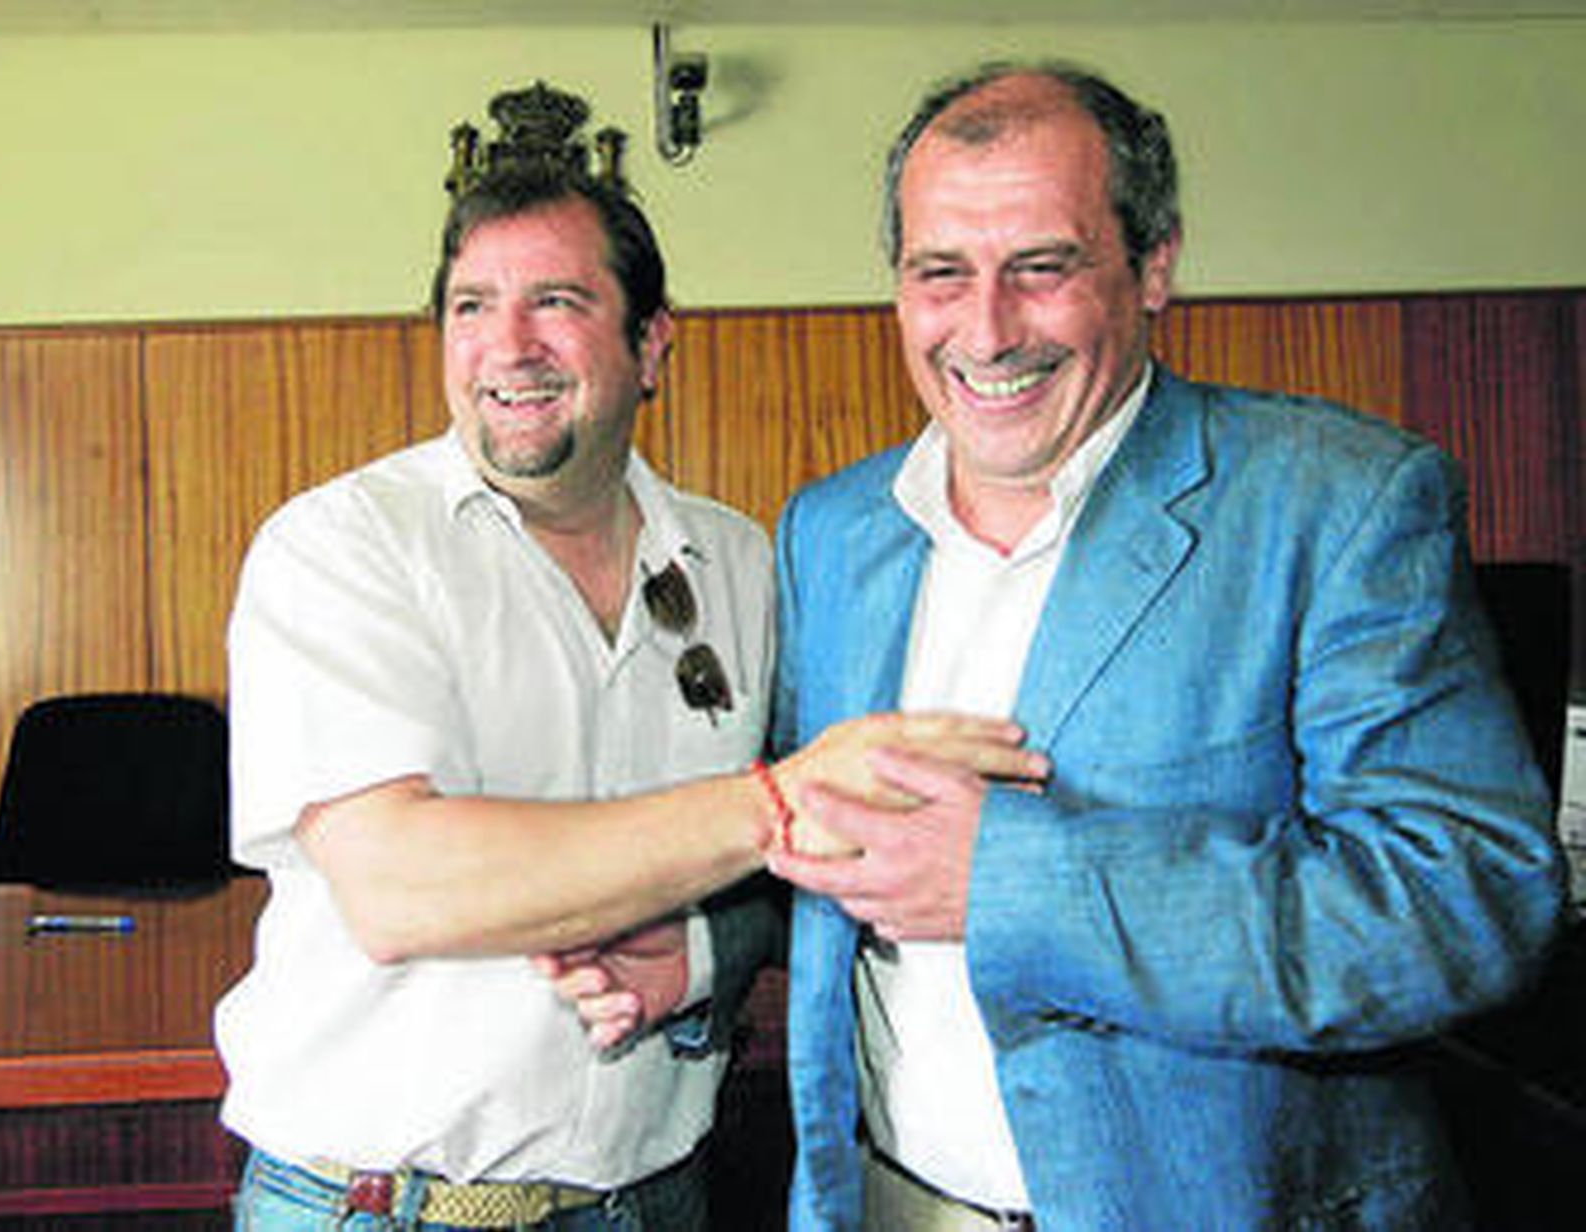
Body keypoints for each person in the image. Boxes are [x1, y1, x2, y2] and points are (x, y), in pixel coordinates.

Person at [762, 61, 1568, 1231]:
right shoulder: (829, 531)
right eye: (940, 271)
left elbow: (1468, 899)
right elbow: (815, 840)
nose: (984, 329)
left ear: (1153, 268)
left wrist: (1011, 883)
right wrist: (685, 958)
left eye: (1041, 267)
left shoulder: (1338, 501)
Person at [213, 132, 1044, 1231]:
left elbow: (794, 880)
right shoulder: (341, 546)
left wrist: (703, 951)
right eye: (470, 306)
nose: (507, 346)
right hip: (380, 1207)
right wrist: (776, 801)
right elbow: (399, 886)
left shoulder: (745, 562)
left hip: (659, 1197)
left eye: (555, 300)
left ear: (651, 344)